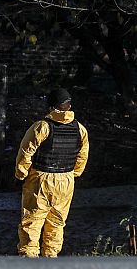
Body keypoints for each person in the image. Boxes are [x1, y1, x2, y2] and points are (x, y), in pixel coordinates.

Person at [15, 88, 89, 257]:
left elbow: (25, 152)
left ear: (51, 106)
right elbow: (82, 156)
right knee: (57, 222)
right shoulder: (80, 129)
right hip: (67, 180)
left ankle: (29, 258)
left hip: (41, 180)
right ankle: (50, 257)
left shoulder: (41, 127)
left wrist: (20, 175)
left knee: (32, 221)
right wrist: (73, 174)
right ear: (69, 106)